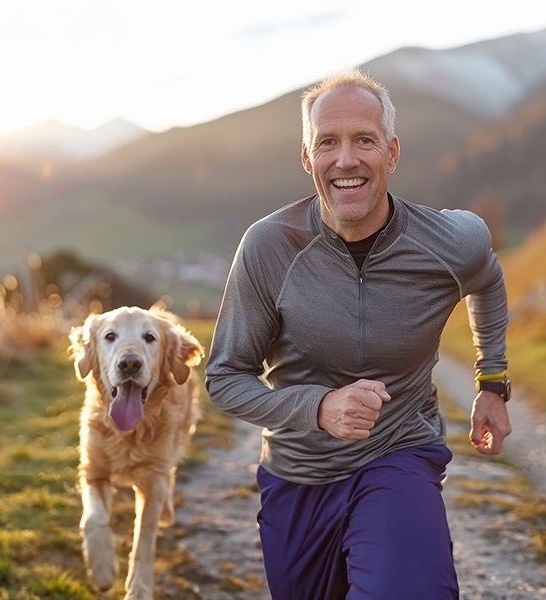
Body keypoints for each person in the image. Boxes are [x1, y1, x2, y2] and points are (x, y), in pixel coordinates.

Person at [205, 68, 512, 599]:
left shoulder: (448, 241)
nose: (346, 159)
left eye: (364, 140)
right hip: (298, 474)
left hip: (399, 453)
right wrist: (318, 408)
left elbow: (487, 277)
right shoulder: (268, 247)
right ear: (307, 158)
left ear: (392, 154)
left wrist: (492, 380)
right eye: (328, 143)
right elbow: (225, 377)